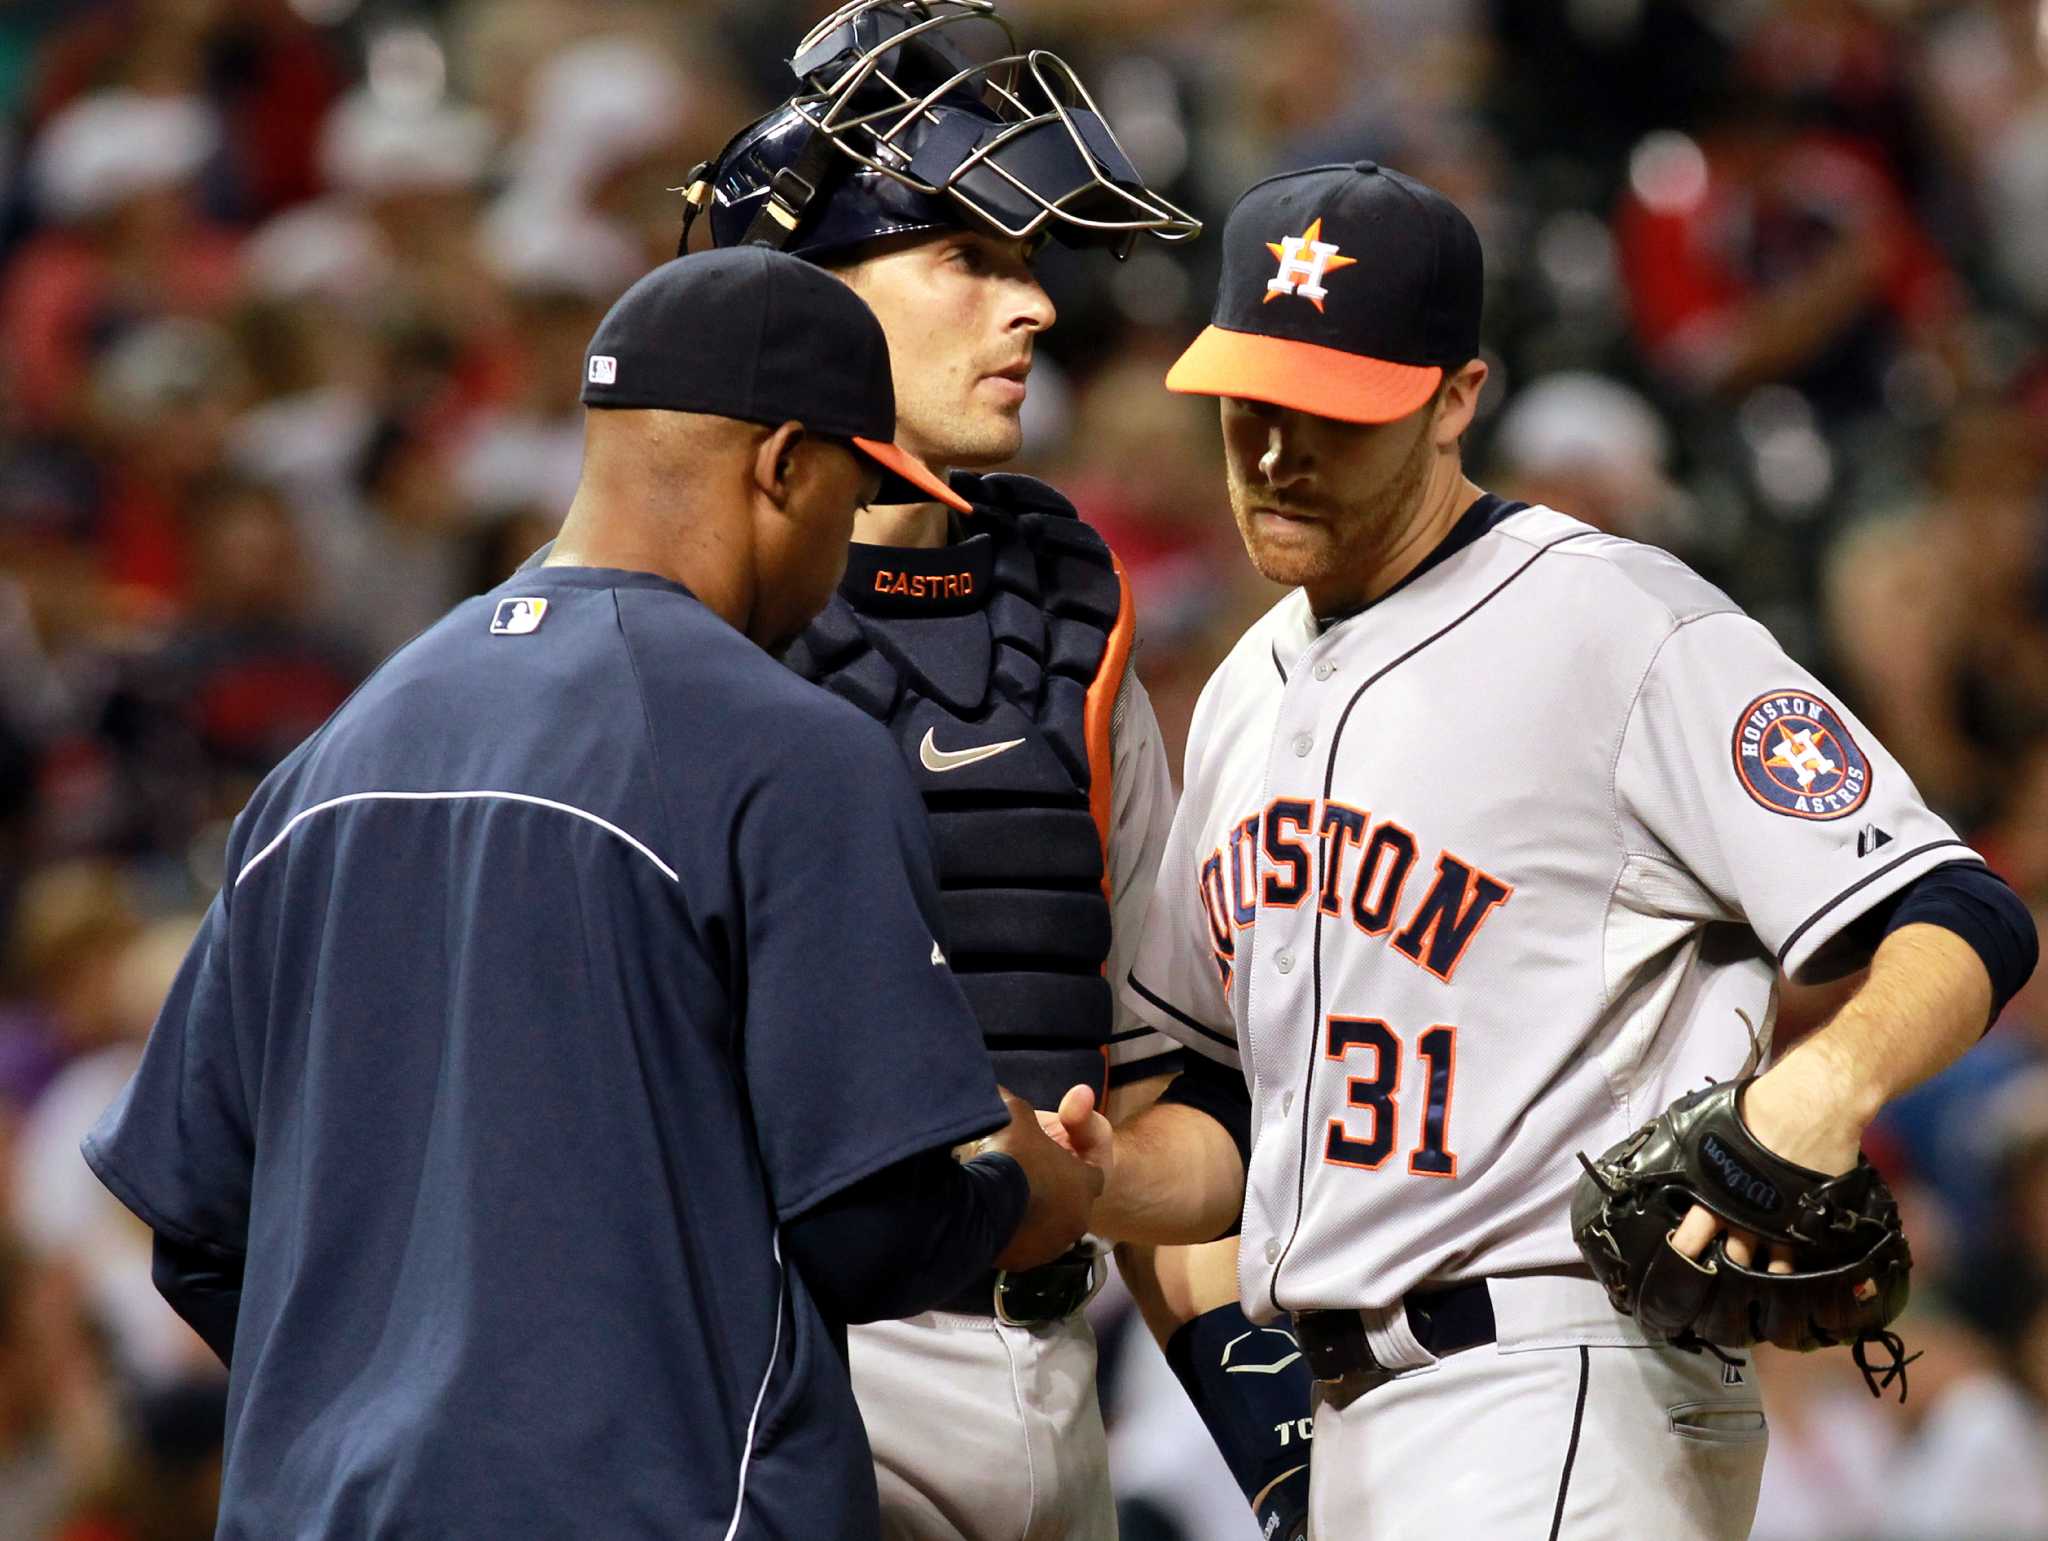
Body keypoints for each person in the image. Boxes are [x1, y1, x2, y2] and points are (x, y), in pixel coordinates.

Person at [1057, 160, 2040, 1539]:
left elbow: (1959, 908)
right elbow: (1216, 1112)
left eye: (1332, 410)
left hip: (1566, 1379)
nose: (1275, 448)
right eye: (1251, 398)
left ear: (1458, 398)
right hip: (1350, 1419)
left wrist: (1818, 1091)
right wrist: (1068, 1174)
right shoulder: (1242, 690)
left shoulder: (1618, 622)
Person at [79, 246, 1103, 1540]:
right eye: (849, 494)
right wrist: (1030, 1196)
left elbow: (198, 1220)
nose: (846, 543)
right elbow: (869, 1227)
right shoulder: (789, 749)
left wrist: (395, 1408)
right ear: (784, 464)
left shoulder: (329, 760)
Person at [675, 4, 1315, 1537]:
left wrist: (1282, 1457)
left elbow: (1177, 1104)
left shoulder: (1067, 616)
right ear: (802, 299)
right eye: (969, 258)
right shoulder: (679, 633)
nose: (1031, 310)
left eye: (1029, 267)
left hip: (1053, 1367)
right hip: (792, 1370)